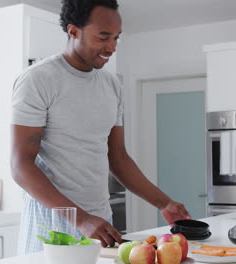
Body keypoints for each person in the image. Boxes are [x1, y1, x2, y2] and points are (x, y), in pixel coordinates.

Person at [11, 0, 191, 255]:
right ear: (73, 31)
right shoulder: (38, 80)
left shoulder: (111, 85)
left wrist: (164, 202)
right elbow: (21, 166)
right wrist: (81, 219)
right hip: (52, 225)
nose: (112, 47)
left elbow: (117, 157)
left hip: (100, 223)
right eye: (104, 37)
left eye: (116, 38)